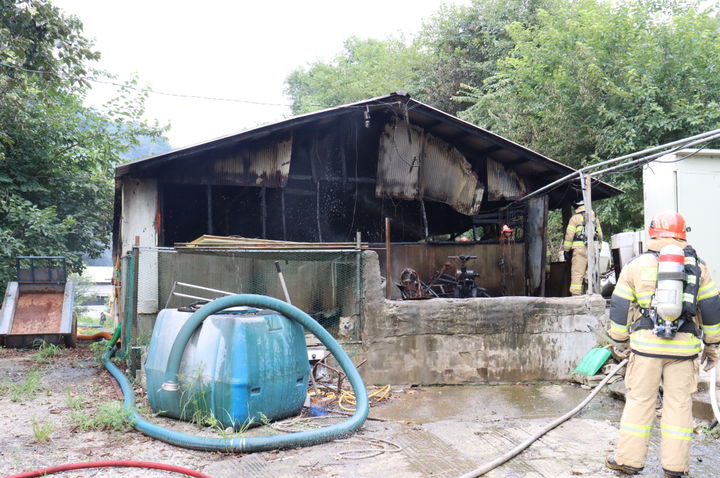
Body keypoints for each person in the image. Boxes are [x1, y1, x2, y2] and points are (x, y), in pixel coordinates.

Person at [605, 211, 720, 477]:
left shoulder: (636, 265)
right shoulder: (699, 267)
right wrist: (712, 346)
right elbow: (712, 308)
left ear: (652, 233)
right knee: (679, 405)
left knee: (639, 402)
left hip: (646, 349)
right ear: (682, 234)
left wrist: (619, 340)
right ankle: (675, 467)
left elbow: (619, 306)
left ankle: (629, 461)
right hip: (684, 351)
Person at [562, 200, 603, 295]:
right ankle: (594, 294)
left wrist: (566, 250)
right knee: (592, 273)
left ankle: (576, 296)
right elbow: (600, 235)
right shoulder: (594, 218)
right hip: (593, 249)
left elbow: (569, 235)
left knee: (577, 273)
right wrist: (599, 248)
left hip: (580, 249)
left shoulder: (575, 218)